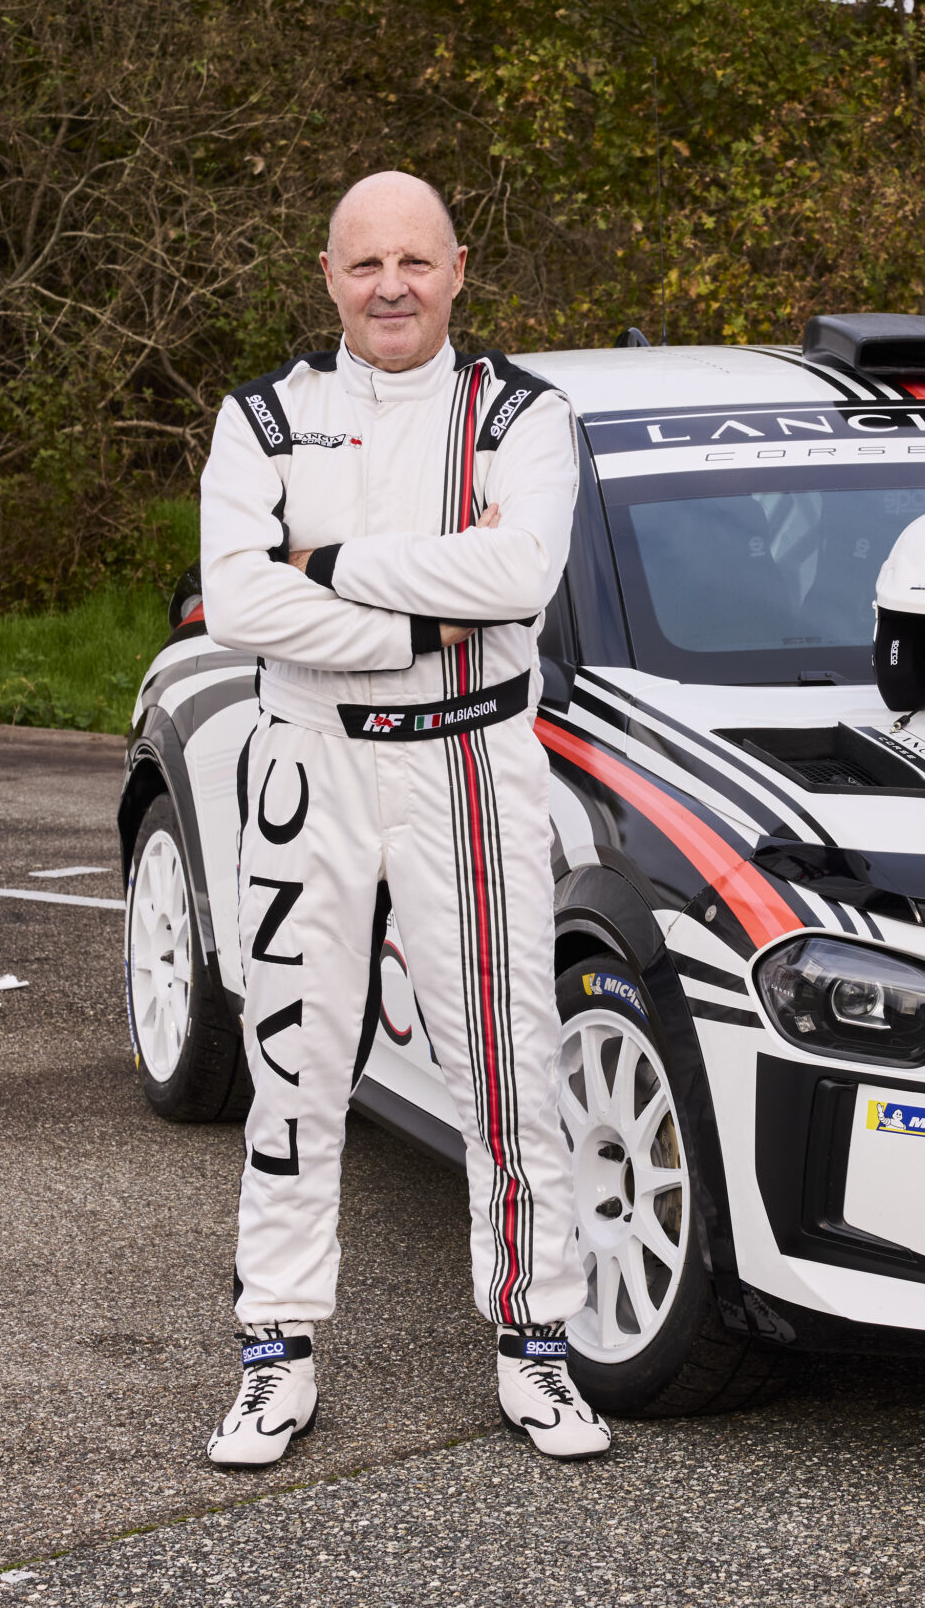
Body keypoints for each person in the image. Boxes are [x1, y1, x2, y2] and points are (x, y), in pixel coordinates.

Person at [194, 170, 608, 1466]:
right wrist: (424, 623)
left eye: (415, 262)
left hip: (470, 761)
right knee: (292, 1058)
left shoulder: (523, 415)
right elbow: (239, 602)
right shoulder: (265, 416)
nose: (391, 288)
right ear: (328, 276)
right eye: (366, 264)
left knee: (509, 1058)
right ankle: (275, 1348)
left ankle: (536, 1343)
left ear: (458, 270)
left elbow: (521, 571)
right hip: (308, 761)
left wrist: (324, 568)